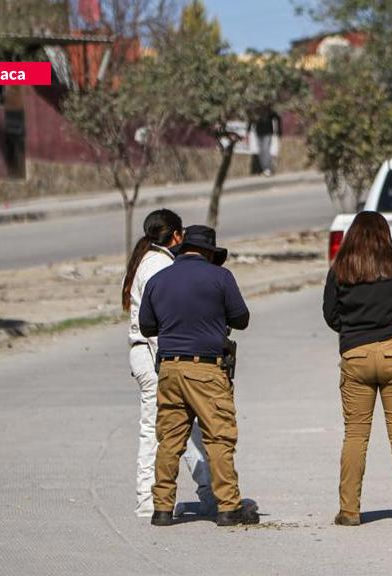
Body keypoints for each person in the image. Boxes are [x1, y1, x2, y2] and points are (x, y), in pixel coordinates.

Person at [139, 225, 258, 527]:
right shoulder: (220, 277)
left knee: (169, 440)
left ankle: (162, 508)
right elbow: (241, 319)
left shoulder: (158, 279)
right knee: (219, 437)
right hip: (206, 370)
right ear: (208, 252)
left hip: (168, 369)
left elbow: (147, 327)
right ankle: (228, 506)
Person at [322, 211, 392, 526]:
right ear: (385, 233)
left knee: (355, 434)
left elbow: (331, 314)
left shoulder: (341, 268)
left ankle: (349, 510)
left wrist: (354, 329)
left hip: (355, 354)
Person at [123, 209, 215, 518]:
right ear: (175, 235)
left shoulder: (147, 260)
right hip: (155, 356)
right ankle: (147, 502)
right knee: (155, 431)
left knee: (186, 427)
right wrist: (169, 362)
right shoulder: (158, 265)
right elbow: (158, 320)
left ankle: (210, 492)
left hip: (149, 355)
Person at [254, 109, 280, 176]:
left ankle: (268, 168)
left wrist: (278, 130)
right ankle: (264, 168)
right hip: (259, 132)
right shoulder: (256, 109)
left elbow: (277, 117)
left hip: (268, 132)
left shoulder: (269, 109)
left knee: (266, 150)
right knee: (261, 151)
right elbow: (252, 119)